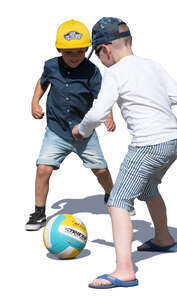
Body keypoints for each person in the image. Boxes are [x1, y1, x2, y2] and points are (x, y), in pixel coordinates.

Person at [72, 17, 177, 289]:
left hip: (147, 144)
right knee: (148, 188)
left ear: (106, 50)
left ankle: (124, 270)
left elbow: (98, 112)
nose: (99, 60)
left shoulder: (115, 73)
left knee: (118, 201)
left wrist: (82, 130)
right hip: (173, 141)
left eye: (97, 54)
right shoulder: (152, 65)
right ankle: (163, 238)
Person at [25, 19, 115, 231]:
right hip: (56, 131)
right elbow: (42, 81)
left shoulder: (92, 71)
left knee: (101, 170)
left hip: (84, 132)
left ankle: (113, 196)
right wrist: (34, 101)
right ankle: (38, 213)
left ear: (86, 50)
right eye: (69, 53)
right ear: (59, 49)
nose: (74, 57)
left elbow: (102, 96)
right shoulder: (51, 66)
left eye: (79, 52)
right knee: (43, 169)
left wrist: (109, 115)